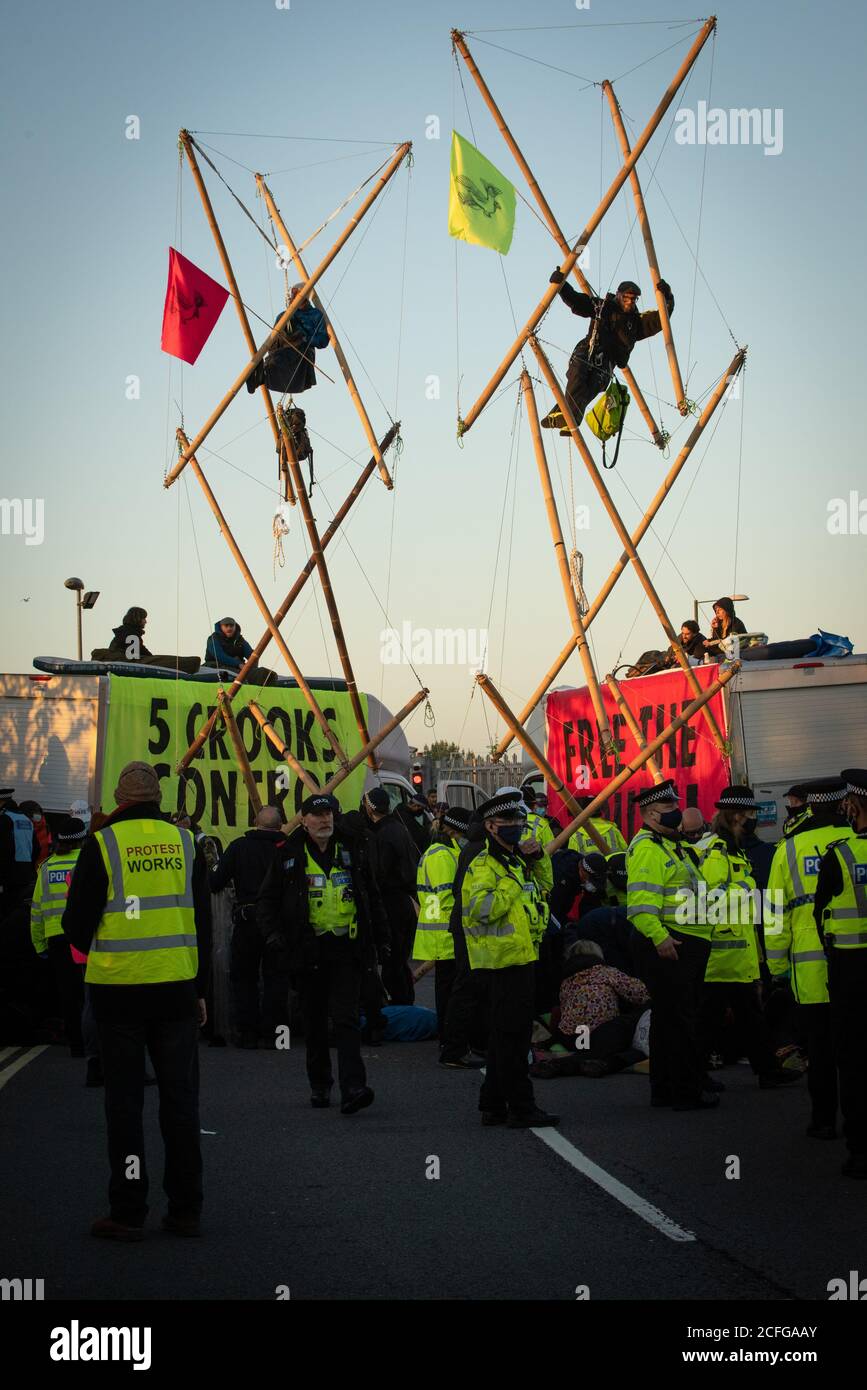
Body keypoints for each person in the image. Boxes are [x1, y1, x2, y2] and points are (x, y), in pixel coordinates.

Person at [61, 761, 212, 1241]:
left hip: (118, 994)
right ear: (157, 798)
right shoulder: (186, 843)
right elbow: (203, 926)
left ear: (121, 798)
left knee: (125, 1108)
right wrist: (201, 989)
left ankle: (128, 1211)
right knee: (180, 1104)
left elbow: (76, 926)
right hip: (175, 991)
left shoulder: (101, 844)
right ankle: (185, 1210)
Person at [257, 792, 386, 1113]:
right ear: (304, 820)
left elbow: (370, 893)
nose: (325, 819)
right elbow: (268, 901)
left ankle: (354, 1087)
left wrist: (381, 937)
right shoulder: (288, 854)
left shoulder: (351, 848)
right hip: (308, 951)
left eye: (329, 813)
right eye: (317, 815)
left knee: (346, 1020)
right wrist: (274, 937)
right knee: (314, 1023)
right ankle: (320, 1084)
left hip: (346, 949)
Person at [461, 789, 559, 1128]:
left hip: (524, 955)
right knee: (514, 1040)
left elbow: (546, 886)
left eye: (519, 819)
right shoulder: (484, 865)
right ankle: (521, 1106)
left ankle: (492, 1104)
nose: (517, 825)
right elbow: (481, 910)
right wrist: (513, 883)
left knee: (505, 1037)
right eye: (508, 820)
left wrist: (539, 857)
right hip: (500, 962)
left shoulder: (517, 860)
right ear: (491, 827)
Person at [765, 777, 853, 1140]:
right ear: (843, 805)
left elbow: (774, 914)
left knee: (819, 1049)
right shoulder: (855, 845)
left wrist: (777, 969)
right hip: (854, 963)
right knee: (854, 1048)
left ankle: (822, 1121)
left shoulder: (787, 850)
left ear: (810, 806)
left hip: (809, 967)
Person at [697, 787, 800, 1091]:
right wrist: (745, 888)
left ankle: (765, 1070)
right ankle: (697, 1076)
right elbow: (709, 897)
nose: (755, 819)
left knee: (747, 1017)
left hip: (736, 953)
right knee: (712, 1020)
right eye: (751, 814)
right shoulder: (718, 850)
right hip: (722, 955)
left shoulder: (734, 848)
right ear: (737, 815)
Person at [627, 779, 716, 1111]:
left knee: (669, 1021)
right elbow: (640, 906)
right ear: (650, 814)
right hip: (670, 944)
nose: (675, 812)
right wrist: (661, 938)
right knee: (679, 1022)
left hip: (684, 942)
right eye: (668, 808)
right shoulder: (649, 849)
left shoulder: (670, 844)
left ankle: (667, 1088)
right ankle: (684, 1091)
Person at [813, 769, 867, 1177]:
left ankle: (862, 1151)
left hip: (851, 969)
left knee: (853, 1060)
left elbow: (819, 914)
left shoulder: (841, 854)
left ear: (854, 805)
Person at [542, 274, 674, 433]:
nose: (630, 302)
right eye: (627, 297)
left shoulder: (636, 323)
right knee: (577, 373)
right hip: (588, 350)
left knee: (591, 386)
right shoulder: (602, 306)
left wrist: (667, 297)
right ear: (618, 295)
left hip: (606, 364)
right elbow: (578, 301)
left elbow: (660, 319)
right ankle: (571, 416)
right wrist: (562, 286)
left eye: (634, 299)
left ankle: (564, 413)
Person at [208, 806, 288, 1048]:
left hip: (247, 919)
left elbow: (215, 881)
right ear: (280, 825)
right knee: (276, 979)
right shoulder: (288, 848)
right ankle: (276, 1036)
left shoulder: (239, 847)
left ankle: (248, 1034)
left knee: (244, 978)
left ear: (255, 822)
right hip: (278, 921)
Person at [411, 806, 472, 1050]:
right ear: (456, 832)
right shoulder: (441, 855)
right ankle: (449, 1038)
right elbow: (447, 896)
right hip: (443, 930)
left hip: (443, 929)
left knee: (447, 986)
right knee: (448, 989)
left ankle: (449, 1035)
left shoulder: (448, 850)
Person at [30, 816, 88, 1059]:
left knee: (68, 994)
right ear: (81, 840)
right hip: (84, 937)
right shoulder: (87, 863)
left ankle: (76, 1044)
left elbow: (36, 910)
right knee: (89, 993)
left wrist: (39, 944)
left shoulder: (46, 867)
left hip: (56, 939)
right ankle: (93, 1042)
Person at [554, 939, 650, 1073]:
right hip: (601, 1037)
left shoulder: (566, 981)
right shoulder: (605, 972)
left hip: (573, 1040)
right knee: (634, 1017)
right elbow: (640, 993)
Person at [362, 787, 420, 1005]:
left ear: (369, 807)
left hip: (391, 902)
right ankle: (406, 1002)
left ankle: (401, 1006)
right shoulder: (398, 828)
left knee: (392, 961)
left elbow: (380, 872)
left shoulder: (382, 834)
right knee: (400, 960)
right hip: (404, 901)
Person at [246, 284, 329, 396]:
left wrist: (304, 338)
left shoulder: (315, 315)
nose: (293, 297)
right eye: (293, 294)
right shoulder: (283, 316)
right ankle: (261, 376)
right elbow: (273, 341)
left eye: (297, 294)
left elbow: (323, 340)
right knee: (275, 360)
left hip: (302, 353)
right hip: (282, 350)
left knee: (284, 359)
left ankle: (262, 376)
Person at [90, 607, 199, 673]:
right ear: (138, 619)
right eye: (144, 618)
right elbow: (133, 660)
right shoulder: (131, 634)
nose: (145, 621)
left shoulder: (127, 633)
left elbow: (142, 652)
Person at [0, 788, 38, 917]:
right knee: (19, 908)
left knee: (6, 910)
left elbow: (4, 848)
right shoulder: (26, 819)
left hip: (9, 873)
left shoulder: (5, 819)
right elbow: (36, 847)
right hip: (26, 872)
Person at [18, 800, 51, 865]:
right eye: (35, 812)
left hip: (41, 867)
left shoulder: (46, 827)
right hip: (29, 867)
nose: (38, 814)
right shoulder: (21, 829)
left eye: (38, 812)